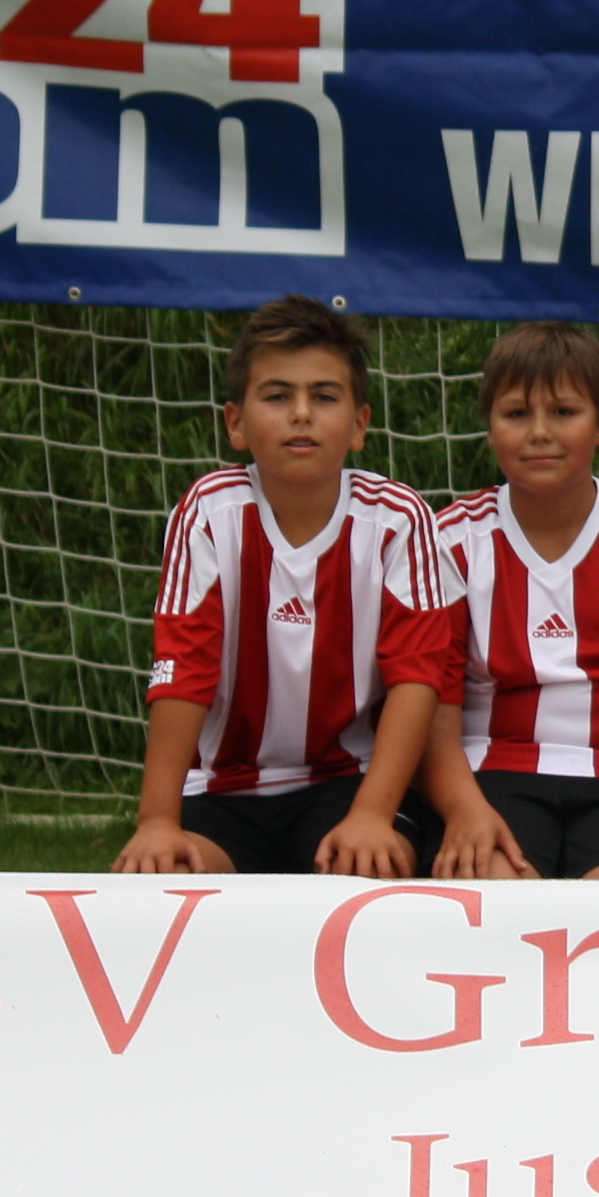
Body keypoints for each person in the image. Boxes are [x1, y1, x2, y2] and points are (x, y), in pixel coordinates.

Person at [118, 297, 457, 878]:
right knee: (164, 880)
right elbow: (183, 670)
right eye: (278, 396)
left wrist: (373, 814)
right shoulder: (209, 513)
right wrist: (156, 821)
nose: (301, 414)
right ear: (236, 423)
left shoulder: (398, 519)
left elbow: (417, 677)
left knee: (369, 870)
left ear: (359, 425)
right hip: (222, 790)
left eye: (324, 397)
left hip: (349, 785)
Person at [420, 321, 599, 879]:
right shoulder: (452, 539)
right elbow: (433, 712)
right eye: (516, 414)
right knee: (491, 886)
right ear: (489, 428)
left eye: (563, 412)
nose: (539, 433)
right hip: (489, 771)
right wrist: (462, 810)